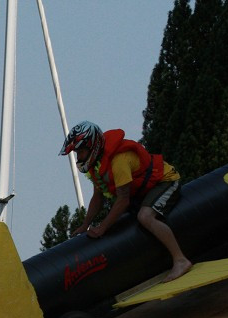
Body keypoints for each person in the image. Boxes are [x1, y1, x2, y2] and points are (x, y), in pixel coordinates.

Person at [60, 121, 193, 282]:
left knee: (145, 217)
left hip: (165, 182)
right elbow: (98, 197)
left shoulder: (119, 162)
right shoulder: (98, 166)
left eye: (80, 151)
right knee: (131, 219)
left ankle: (181, 260)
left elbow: (123, 200)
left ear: (93, 147)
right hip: (144, 192)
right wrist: (85, 224)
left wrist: (102, 227)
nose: (78, 157)